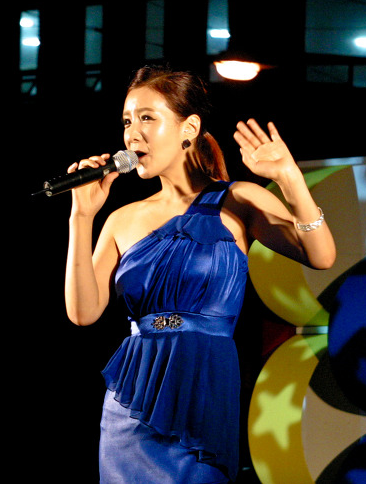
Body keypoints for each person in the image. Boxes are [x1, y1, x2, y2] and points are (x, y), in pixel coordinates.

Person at [65, 66, 336, 483]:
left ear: (188, 128)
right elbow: (83, 313)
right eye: (127, 121)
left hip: (202, 387)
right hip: (132, 403)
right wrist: (81, 217)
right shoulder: (121, 219)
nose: (132, 134)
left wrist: (289, 178)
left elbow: (321, 255)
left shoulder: (237, 201)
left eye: (146, 118)